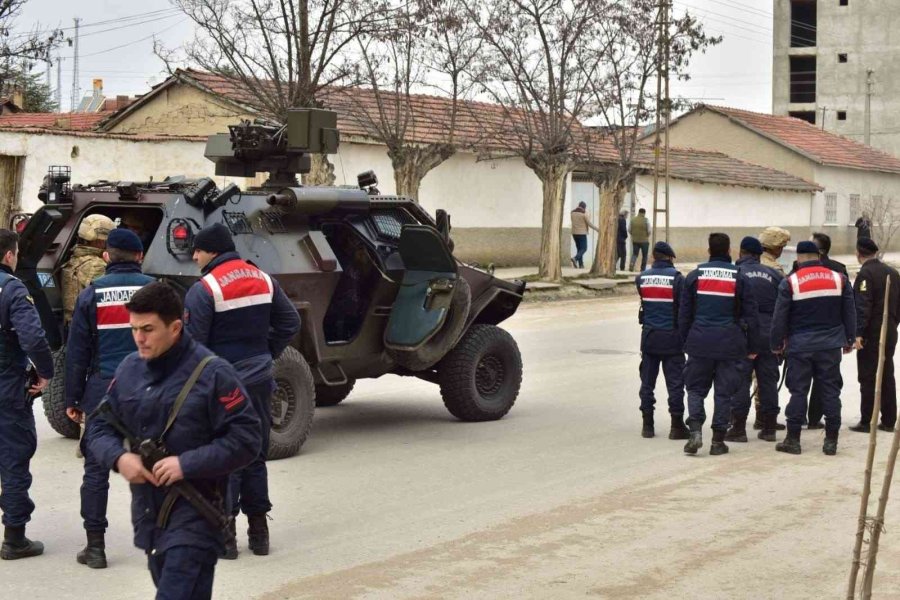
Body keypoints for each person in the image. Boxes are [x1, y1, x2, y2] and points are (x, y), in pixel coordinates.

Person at [87, 282, 261, 599]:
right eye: (134, 329)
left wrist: (186, 463)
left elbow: (247, 438)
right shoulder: (129, 370)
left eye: (148, 329)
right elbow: (98, 427)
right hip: (150, 515)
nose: (139, 338)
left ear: (176, 327)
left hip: (196, 510)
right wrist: (119, 458)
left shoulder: (214, 374)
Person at [183, 223, 300, 559]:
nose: (194, 255)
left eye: (198, 250)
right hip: (260, 380)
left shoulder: (204, 289)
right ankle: (259, 532)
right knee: (255, 454)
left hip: (224, 387)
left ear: (213, 251)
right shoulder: (263, 278)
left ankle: (226, 537)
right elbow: (291, 322)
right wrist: (266, 354)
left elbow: (194, 348)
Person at [64, 228, 155, 569]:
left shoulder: (92, 294)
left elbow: (77, 353)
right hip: (149, 390)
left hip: (103, 391)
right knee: (157, 462)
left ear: (106, 257)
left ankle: (96, 546)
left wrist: (72, 398)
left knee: (96, 467)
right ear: (139, 257)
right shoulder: (155, 290)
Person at [771, 241, 855, 456]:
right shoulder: (840, 279)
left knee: (798, 391)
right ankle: (831, 441)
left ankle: (793, 440)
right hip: (830, 345)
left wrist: (776, 343)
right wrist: (849, 339)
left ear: (798, 258)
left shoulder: (790, 282)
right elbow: (849, 312)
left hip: (800, 346)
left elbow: (780, 317)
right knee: (830, 391)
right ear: (818, 256)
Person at [678, 233, 758, 456]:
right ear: (729, 251)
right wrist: (752, 347)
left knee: (695, 389)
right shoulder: (740, 278)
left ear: (709, 250)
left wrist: (686, 341)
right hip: (729, 345)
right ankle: (718, 442)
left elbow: (684, 315)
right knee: (723, 393)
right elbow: (751, 316)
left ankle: (695, 432)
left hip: (699, 342)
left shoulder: (694, 276)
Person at [0, 229, 53, 560]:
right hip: (6, 387)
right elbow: (33, 337)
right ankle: (14, 538)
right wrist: (46, 372)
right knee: (13, 458)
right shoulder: (11, 288)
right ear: (9, 255)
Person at [727, 236, 783, 443]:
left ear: (740, 253)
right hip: (769, 335)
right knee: (768, 381)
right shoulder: (774, 275)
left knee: (740, 381)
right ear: (759, 255)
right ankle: (769, 428)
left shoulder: (735, 274)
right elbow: (783, 307)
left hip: (743, 334)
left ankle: (738, 428)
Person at [635, 241, 690, 440]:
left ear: (653, 257)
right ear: (669, 258)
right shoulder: (677, 279)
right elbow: (683, 311)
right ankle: (676, 426)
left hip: (649, 338)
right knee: (675, 383)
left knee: (647, 383)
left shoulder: (641, 278)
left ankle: (647, 425)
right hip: (672, 338)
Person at [849, 237, 900, 434]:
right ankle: (888, 420)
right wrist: (893, 324)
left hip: (871, 332)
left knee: (868, 376)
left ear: (858, 253)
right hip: (889, 330)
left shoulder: (865, 274)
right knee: (887, 373)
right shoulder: (893, 273)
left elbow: (863, 305)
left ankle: (867, 420)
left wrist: (859, 333)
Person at [806, 232, 848, 429]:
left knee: (802, 381)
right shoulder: (840, 270)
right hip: (832, 336)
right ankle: (815, 418)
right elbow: (848, 307)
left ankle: (800, 424)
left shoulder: (801, 270)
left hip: (805, 334)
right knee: (826, 379)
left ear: (820, 251)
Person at [62, 214, 115, 324]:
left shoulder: (74, 259)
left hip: (73, 323)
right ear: (101, 241)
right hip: (88, 326)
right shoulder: (97, 265)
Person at [570, 201, 598, 269]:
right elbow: (589, 224)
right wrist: (597, 229)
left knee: (579, 249)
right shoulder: (584, 214)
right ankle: (575, 258)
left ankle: (581, 265)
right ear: (584, 207)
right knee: (584, 248)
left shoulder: (572, 213)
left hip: (574, 233)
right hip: (582, 234)